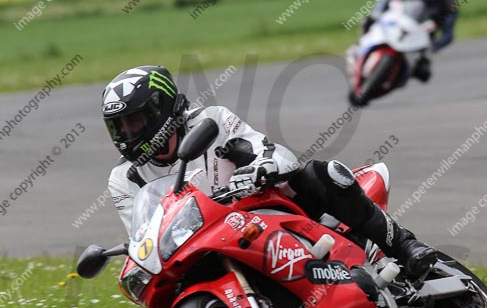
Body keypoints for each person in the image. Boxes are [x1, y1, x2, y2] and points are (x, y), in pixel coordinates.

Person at [103, 65, 436, 280]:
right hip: (209, 245)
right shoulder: (124, 178)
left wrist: (263, 165)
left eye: (135, 121)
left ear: (161, 109)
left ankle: (406, 246)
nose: (128, 133)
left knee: (317, 175)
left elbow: (273, 152)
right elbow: (145, 235)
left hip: (263, 212)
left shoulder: (210, 120)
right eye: (120, 126)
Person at [362, 0, 457, 81]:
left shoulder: (448, 0)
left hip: (422, 35)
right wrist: (377, 13)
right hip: (401, 22)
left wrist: (433, 47)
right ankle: (361, 45)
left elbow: (448, 34)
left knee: (424, 74)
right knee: (368, 21)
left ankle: (402, 75)